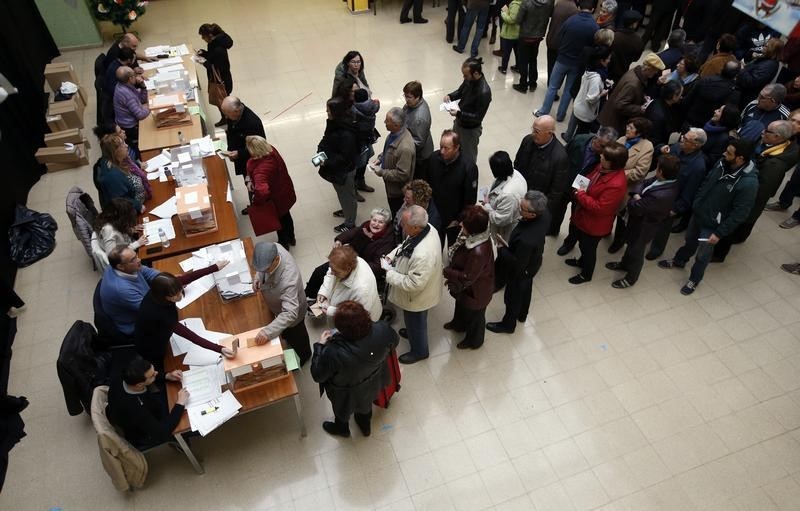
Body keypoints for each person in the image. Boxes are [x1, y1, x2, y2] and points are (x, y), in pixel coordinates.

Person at [658, 139, 758, 295]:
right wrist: (697, 202)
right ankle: (679, 261)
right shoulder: (722, 163)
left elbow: (740, 213)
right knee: (689, 242)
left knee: (703, 255)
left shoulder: (748, 184)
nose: (724, 154)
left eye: (729, 153)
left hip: (713, 226)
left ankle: (694, 280)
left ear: (740, 159)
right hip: (699, 213)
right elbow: (706, 182)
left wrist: (719, 233)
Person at [713, 120, 799, 261]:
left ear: (777, 137)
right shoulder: (771, 144)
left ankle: (719, 254)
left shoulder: (774, 165)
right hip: (747, 187)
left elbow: (761, 191)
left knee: (734, 225)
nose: (762, 132)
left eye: (767, 131)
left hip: (749, 198)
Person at [311, 301, 399, 438]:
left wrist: (319, 346)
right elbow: (395, 342)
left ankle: (342, 429)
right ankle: (365, 427)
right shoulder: (382, 329)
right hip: (373, 381)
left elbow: (318, 375)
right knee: (366, 406)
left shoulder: (334, 352)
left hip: (345, 391)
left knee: (342, 412)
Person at [135, 271, 236, 371]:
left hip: (158, 331)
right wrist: (219, 349)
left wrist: (215, 267)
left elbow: (188, 277)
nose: (179, 295)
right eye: (174, 294)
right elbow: (192, 337)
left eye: (179, 290)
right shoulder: (160, 314)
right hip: (152, 345)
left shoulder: (162, 289)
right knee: (163, 365)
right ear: (164, 296)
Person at [606, 155, 680, 288]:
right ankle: (624, 264)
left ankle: (631, 278)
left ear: (661, 171)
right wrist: (637, 196)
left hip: (644, 227)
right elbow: (642, 182)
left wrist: (635, 198)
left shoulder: (662, 195)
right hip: (637, 222)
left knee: (636, 252)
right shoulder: (661, 180)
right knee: (631, 246)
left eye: (657, 167)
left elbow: (635, 207)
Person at [561, 142, 628, 284]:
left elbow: (600, 207)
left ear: (613, 163)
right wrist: (578, 186)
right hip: (584, 216)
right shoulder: (603, 167)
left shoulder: (616, 184)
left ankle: (586, 274)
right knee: (583, 246)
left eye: (604, 156)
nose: (601, 156)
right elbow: (588, 177)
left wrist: (579, 194)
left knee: (588, 249)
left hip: (594, 225)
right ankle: (581, 262)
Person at [385, 205, 443, 364]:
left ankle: (419, 351)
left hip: (416, 297)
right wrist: (392, 256)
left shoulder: (422, 254)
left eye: (404, 224)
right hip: (422, 290)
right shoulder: (428, 228)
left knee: (416, 320)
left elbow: (413, 284)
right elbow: (406, 245)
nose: (401, 226)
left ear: (416, 227)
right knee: (414, 321)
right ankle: (412, 333)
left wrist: (389, 274)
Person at [487, 191, 550, 333]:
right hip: (534, 262)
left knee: (513, 296)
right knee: (526, 288)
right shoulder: (545, 214)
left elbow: (517, 265)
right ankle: (522, 314)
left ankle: (508, 325)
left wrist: (502, 249)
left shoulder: (526, 239)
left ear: (533, 215)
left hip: (521, 269)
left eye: (522, 208)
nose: (518, 209)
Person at [305, 208, 396, 298]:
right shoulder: (366, 226)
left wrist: (354, 265)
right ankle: (309, 295)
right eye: (374, 220)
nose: (376, 224)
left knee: (335, 284)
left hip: (360, 269)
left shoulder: (387, 241)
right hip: (349, 259)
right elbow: (353, 232)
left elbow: (378, 266)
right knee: (319, 272)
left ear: (386, 224)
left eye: (381, 222)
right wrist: (340, 240)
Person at [647, 127, 709, 259]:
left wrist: (676, 209)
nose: (681, 139)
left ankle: (656, 249)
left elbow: (690, 191)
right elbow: (663, 151)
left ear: (695, 145)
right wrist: (661, 148)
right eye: (683, 137)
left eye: (686, 139)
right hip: (658, 188)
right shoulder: (677, 147)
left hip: (671, 200)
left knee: (663, 228)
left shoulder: (698, 166)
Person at [534, 0, 599, 122]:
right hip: (577, 63)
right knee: (568, 90)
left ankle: (543, 111)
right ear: (592, 9)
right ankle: (560, 115)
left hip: (562, 59)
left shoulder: (571, 20)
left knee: (553, 87)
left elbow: (560, 36)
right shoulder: (594, 26)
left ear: (579, 7)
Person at [106, 355, 188, 449]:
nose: (156, 373)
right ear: (140, 384)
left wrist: (167, 375)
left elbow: (148, 376)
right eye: (153, 375)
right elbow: (161, 433)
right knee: (185, 424)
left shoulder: (125, 375)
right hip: (142, 432)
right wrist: (180, 403)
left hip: (148, 404)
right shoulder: (133, 408)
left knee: (170, 392)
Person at [251, 241, 312, 365]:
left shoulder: (289, 279)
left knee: (298, 337)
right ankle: (286, 337)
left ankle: (304, 357)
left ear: (277, 259)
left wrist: (267, 332)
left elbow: (290, 313)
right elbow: (262, 268)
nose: (264, 271)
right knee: (286, 332)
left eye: (266, 269)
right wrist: (258, 276)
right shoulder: (273, 247)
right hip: (278, 306)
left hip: (293, 314)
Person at [443, 206, 494, 349]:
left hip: (476, 290)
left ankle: (474, 341)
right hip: (466, 289)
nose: (460, 225)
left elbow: (467, 277)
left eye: (463, 224)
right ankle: (458, 324)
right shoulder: (474, 236)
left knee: (475, 318)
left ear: (472, 228)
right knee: (461, 305)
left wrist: (447, 271)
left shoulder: (478, 251)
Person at [555, 126, 620, 237]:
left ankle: (569, 241)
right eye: (603, 146)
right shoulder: (579, 140)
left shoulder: (606, 156)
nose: (606, 150)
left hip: (584, 188)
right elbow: (563, 156)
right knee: (558, 209)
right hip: (567, 181)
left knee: (576, 215)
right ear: (595, 138)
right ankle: (553, 229)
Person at [513, 115, 569, 235]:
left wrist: (541, 212)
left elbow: (556, 191)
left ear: (549, 133)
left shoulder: (559, 157)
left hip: (535, 207)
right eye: (532, 129)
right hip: (522, 195)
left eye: (536, 131)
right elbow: (517, 163)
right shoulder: (528, 140)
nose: (532, 133)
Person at [608, 117, 654, 253]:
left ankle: (618, 241)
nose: (627, 129)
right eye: (628, 125)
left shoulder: (647, 147)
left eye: (631, 128)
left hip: (626, 187)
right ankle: (606, 230)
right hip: (611, 184)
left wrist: (618, 175)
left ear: (639, 133)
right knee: (609, 209)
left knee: (621, 217)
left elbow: (640, 172)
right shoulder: (622, 139)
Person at [428, 130, 479, 246]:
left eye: (446, 148)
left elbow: (470, 199)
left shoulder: (468, 168)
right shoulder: (434, 159)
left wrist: (459, 219)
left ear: (457, 148)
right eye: (441, 147)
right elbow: (427, 182)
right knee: (434, 242)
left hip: (454, 217)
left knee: (454, 245)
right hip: (435, 211)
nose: (441, 151)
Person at [245, 135, 297, 248]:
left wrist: (257, 201)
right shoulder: (271, 150)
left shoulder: (261, 169)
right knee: (286, 216)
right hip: (285, 191)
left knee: (279, 222)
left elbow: (262, 191)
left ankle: (284, 244)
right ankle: (292, 238)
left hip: (275, 200)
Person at [318, 97, 360, 233]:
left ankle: (350, 223)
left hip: (344, 171)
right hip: (336, 169)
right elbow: (326, 138)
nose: (326, 112)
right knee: (342, 194)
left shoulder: (347, 133)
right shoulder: (333, 123)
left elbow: (345, 157)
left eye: (328, 110)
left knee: (347, 196)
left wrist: (327, 162)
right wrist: (320, 150)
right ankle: (346, 210)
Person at [597, 53, 665, 135]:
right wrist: (640, 109)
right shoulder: (633, 84)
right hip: (612, 124)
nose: (656, 73)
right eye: (655, 70)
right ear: (648, 68)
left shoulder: (635, 72)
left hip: (609, 119)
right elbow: (620, 105)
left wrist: (642, 97)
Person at [444, 57, 492, 166]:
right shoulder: (469, 80)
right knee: (456, 146)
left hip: (470, 130)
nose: (464, 77)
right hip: (460, 122)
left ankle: (469, 177)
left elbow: (477, 117)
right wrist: (450, 96)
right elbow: (461, 91)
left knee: (468, 156)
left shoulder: (484, 92)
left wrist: (459, 113)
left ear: (475, 74)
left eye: (466, 75)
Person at [315, 246, 383, 322]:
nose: (331, 272)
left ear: (348, 269)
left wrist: (332, 311)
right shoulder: (347, 262)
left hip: (358, 323)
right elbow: (330, 274)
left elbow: (357, 315)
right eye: (331, 268)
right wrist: (324, 291)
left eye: (336, 272)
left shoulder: (362, 290)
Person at [371, 108, 416, 219]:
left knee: (398, 214)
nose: (384, 123)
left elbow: (403, 174)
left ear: (396, 125)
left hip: (398, 192)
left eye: (387, 121)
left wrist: (382, 172)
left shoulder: (405, 148)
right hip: (391, 186)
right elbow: (389, 150)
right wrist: (381, 158)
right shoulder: (394, 134)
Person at [563, 47, 611, 142]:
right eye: (608, 58)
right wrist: (602, 93)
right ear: (602, 60)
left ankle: (568, 138)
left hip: (578, 104)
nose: (610, 61)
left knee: (573, 123)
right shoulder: (596, 78)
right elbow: (591, 98)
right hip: (585, 112)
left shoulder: (590, 70)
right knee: (579, 138)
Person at [221, 96, 266, 192]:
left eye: (227, 114)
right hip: (242, 161)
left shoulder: (253, 124)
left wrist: (239, 153)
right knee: (248, 184)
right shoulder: (233, 115)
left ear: (236, 111)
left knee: (254, 188)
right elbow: (231, 132)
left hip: (253, 164)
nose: (226, 117)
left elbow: (260, 149)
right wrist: (231, 150)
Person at [481, 151, 528, 241]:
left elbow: (500, 219)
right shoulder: (515, 173)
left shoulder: (508, 195)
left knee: (503, 249)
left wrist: (487, 205)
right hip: (508, 213)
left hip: (506, 230)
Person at [97, 134, 149, 213]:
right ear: (116, 151)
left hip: (143, 198)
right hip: (134, 211)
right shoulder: (112, 176)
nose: (126, 146)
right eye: (122, 144)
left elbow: (130, 165)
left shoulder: (119, 159)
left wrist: (138, 165)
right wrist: (138, 206)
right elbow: (121, 201)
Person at [511, 0, 554, 93]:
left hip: (525, 36)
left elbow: (518, 20)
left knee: (523, 61)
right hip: (538, 36)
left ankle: (523, 85)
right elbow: (550, 14)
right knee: (533, 59)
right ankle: (533, 83)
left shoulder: (526, 2)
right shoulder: (550, 2)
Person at [683, 61, 742, 129]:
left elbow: (688, 100)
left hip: (691, 120)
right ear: (736, 75)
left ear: (722, 69)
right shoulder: (735, 93)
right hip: (709, 126)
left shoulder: (704, 80)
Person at [197, 23, 234, 127]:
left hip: (222, 80)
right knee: (222, 101)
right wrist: (204, 53)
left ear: (209, 35)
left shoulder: (218, 49)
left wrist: (203, 62)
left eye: (203, 36)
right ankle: (226, 118)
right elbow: (212, 57)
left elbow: (214, 66)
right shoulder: (214, 43)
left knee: (223, 101)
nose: (202, 38)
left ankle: (228, 119)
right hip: (220, 78)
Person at [112, 66, 149, 159]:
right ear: (130, 78)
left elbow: (141, 99)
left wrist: (142, 86)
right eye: (134, 75)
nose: (137, 76)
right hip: (131, 127)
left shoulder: (122, 85)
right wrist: (149, 107)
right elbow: (140, 115)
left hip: (127, 120)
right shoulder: (127, 94)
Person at [737, 38, 785, 107]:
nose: (763, 48)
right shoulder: (766, 58)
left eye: (766, 46)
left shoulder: (769, 66)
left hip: (745, 96)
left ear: (772, 50)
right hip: (743, 92)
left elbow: (752, 82)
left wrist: (742, 69)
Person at [402, 81, 434, 182]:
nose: (406, 100)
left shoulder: (420, 118)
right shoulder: (413, 103)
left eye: (409, 97)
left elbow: (418, 143)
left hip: (421, 157)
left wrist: (402, 148)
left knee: (418, 180)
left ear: (418, 96)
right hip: (413, 139)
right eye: (405, 96)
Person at [544, 0, 579, 81]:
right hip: (562, 43)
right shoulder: (574, 10)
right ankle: (554, 86)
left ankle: (550, 82)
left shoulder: (558, 3)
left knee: (550, 64)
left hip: (551, 39)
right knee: (559, 68)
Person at [607, 10, 644, 84]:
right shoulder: (638, 41)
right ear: (634, 24)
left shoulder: (613, 35)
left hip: (607, 69)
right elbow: (636, 58)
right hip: (622, 71)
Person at [102, 47, 135, 124]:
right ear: (129, 60)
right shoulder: (119, 70)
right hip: (116, 102)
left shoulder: (115, 63)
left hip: (110, 96)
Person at [644, 80, 682, 148]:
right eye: (680, 95)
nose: (681, 97)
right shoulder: (660, 116)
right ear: (674, 97)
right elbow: (654, 139)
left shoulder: (657, 101)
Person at [496, 0, 522, 75]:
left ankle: (504, 68)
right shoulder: (523, 3)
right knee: (517, 51)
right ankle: (518, 67)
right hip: (518, 32)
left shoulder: (515, 4)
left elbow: (511, 20)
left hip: (510, 33)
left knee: (506, 52)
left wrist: (503, 13)